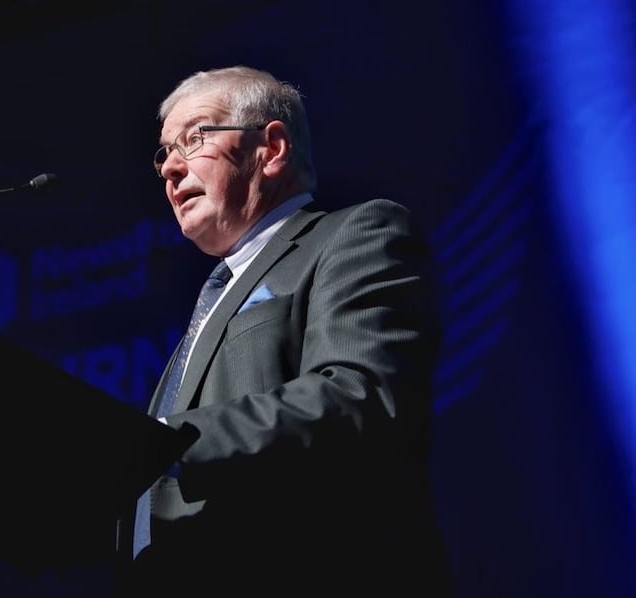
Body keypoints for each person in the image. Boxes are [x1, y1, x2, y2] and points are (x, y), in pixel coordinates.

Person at [115, 65, 452, 597]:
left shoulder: (355, 236)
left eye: (195, 137)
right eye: (164, 153)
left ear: (271, 149)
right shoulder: (215, 298)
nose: (171, 169)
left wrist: (163, 443)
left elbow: (358, 395)